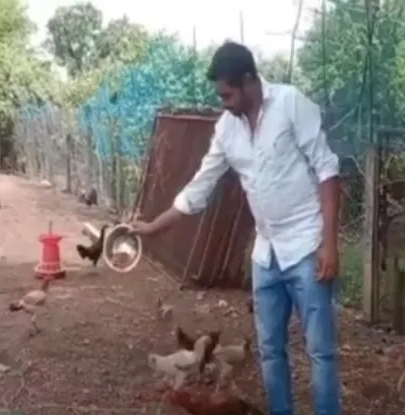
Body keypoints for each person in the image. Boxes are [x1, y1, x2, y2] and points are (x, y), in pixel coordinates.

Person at [130, 41, 342, 415]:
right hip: (267, 253)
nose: (223, 101)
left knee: (320, 351)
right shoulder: (227, 129)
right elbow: (199, 188)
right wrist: (151, 228)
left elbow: (327, 170)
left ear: (248, 80)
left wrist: (329, 244)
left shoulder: (291, 103)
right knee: (269, 351)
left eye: (228, 93)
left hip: (308, 246)